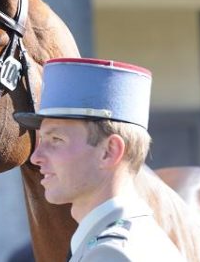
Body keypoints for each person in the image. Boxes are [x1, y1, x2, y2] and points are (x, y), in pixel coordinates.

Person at [14, 58, 185, 262]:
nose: (36, 157)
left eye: (56, 139)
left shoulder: (111, 254)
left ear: (109, 152)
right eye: (42, 139)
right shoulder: (141, 240)